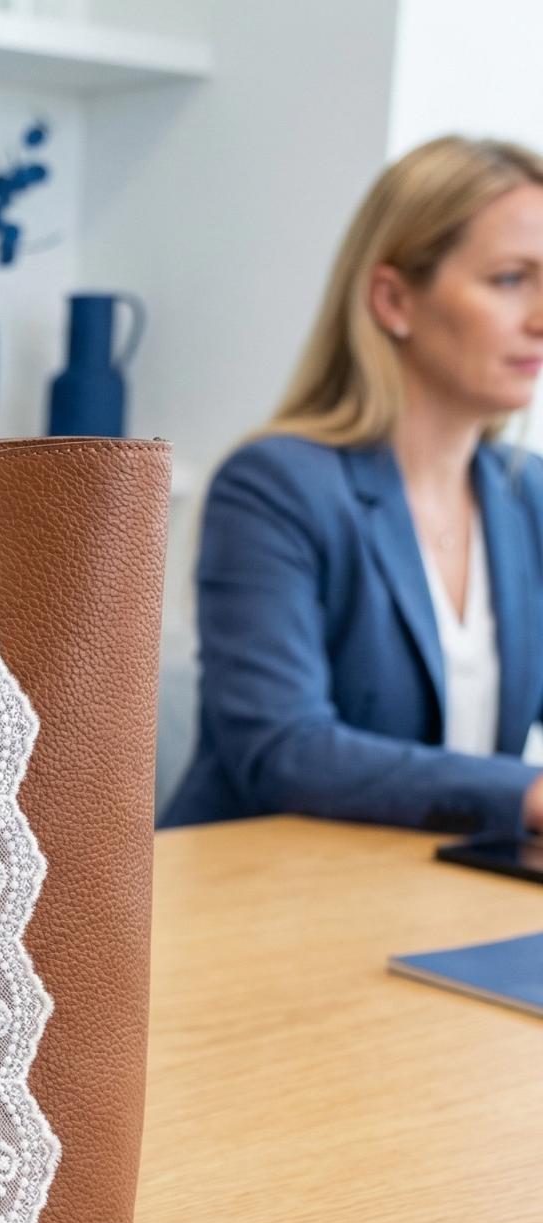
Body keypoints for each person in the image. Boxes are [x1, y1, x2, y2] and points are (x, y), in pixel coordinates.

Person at [162, 136, 543, 834]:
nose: (540, 317)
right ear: (394, 300)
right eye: (511, 280)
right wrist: (525, 794)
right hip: (260, 883)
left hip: (433, 882)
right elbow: (286, 750)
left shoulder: (528, 494)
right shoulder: (274, 486)